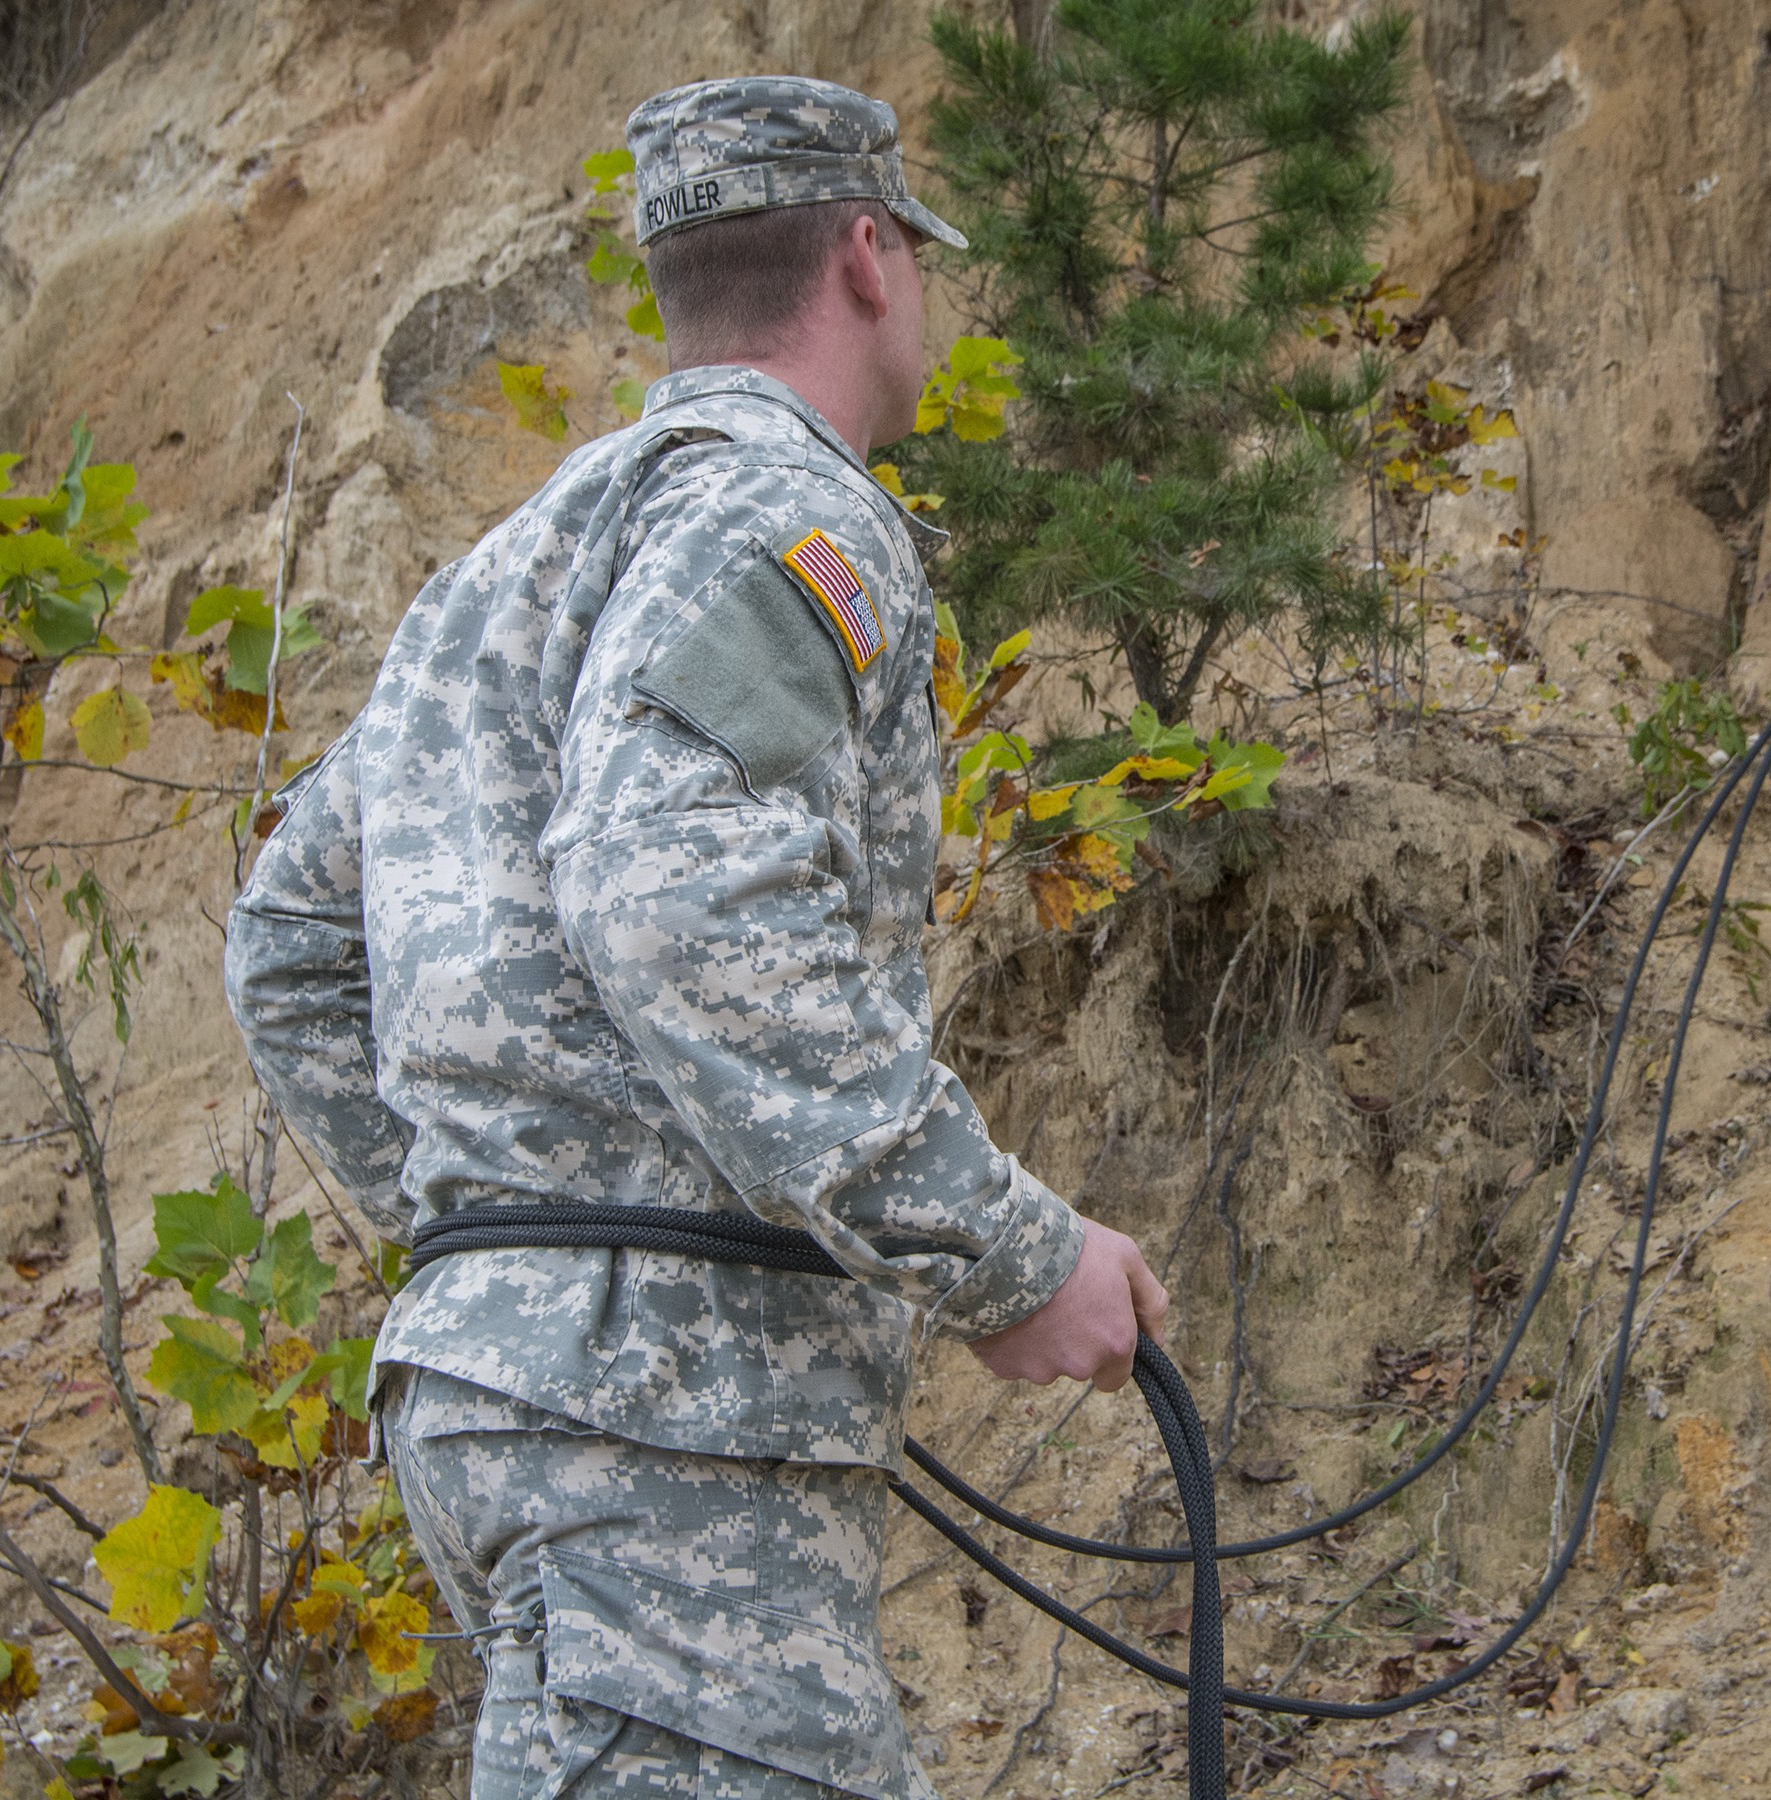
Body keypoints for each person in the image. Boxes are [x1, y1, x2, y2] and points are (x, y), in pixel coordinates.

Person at [225, 76, 1168, 1800]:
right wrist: (1003, 1253)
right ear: (870, 258)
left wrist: (500, 1245)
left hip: (523, 1405)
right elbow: (670, 884)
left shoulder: (506, 572)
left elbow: (291, 944)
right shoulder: (788, 520)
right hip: (664, 1423)